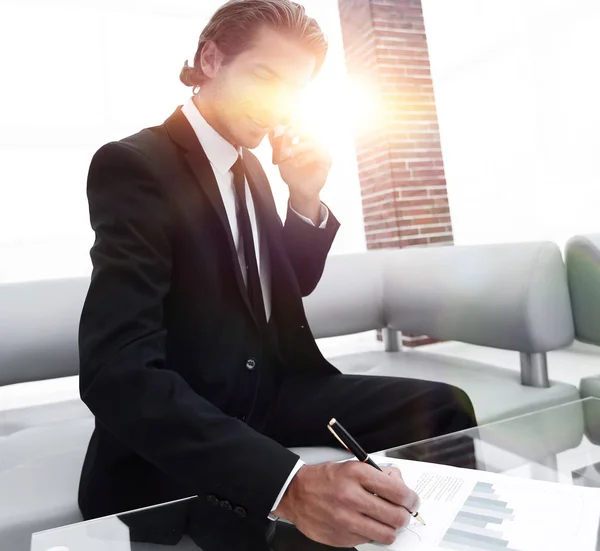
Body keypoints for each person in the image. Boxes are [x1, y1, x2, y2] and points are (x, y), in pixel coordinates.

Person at [78, 0, 477, 547]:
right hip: (196, 407)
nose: (278, 104)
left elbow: (285, 285)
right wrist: (288, 486)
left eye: (295, 89)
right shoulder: (135, 164)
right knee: (251, 522)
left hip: (276, 387)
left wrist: (305, 196)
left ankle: (441, 536)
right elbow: (116, 370)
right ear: (211, 59)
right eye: (264, 76)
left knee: (444, 408)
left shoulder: (255, 170)